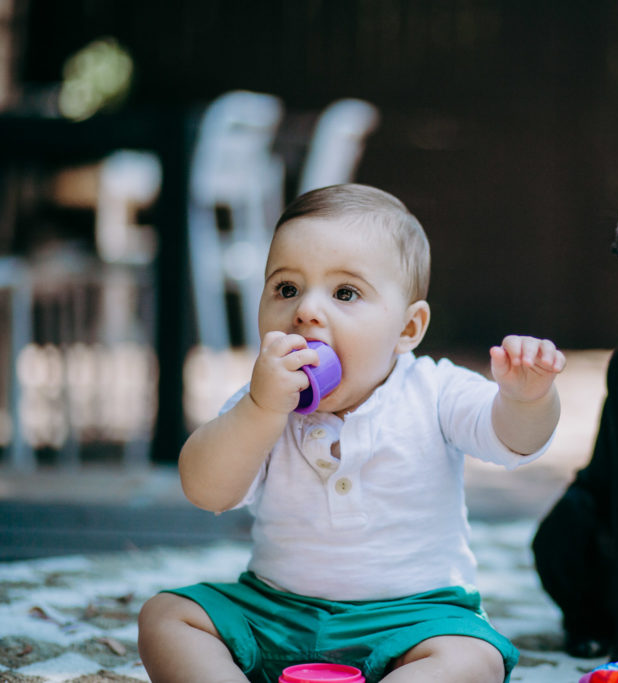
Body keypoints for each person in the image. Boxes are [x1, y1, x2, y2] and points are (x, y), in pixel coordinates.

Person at [137, 184, 566, 683]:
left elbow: (514, 440)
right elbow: (206, 490)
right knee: (167, 616)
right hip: (275, 614)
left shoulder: (433, 390)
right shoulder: (261, 404)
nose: (306, 311)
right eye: (286, 289)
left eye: (345, 293)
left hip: (413, 621)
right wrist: (259, 410)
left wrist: (527, 399)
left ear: (408, 329)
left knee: (472, 659)